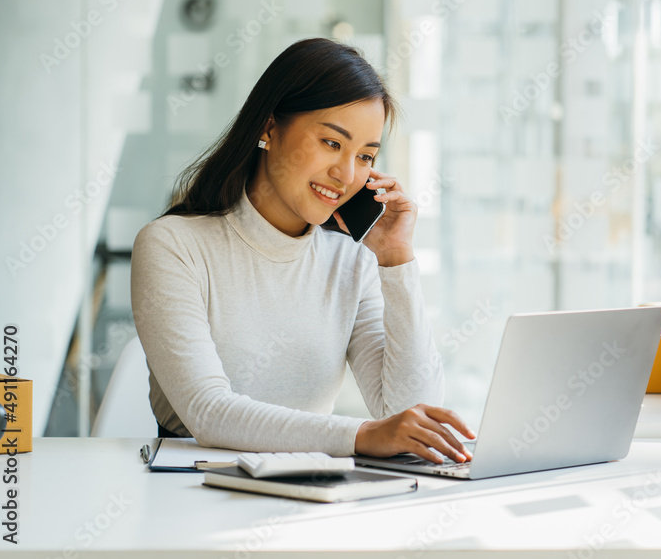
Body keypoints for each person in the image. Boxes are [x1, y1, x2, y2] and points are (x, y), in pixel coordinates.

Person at [129, 38, 474, 464]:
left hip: (308, 491)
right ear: (269, 128)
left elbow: (411, 413)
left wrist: (396, 258)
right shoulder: (172, 245)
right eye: (332, 143)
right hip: (193, 490)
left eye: (365, 156)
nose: (346, 174)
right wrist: (362, 436)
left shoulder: (351, 259)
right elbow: (209, 411)